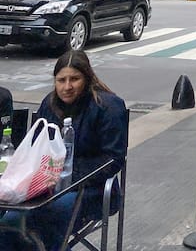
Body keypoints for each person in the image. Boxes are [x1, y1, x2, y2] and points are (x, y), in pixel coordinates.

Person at [1, 50, 127, 251]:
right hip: (46, 186)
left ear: (87, 79)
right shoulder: (49, 104)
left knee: (44, 220)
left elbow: (113, 159)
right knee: (9, 222)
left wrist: (68, 177)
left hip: (92, 188)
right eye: (61, 80)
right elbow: (36, 151)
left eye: (74, 79)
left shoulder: (108, 106)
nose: (67, 87)